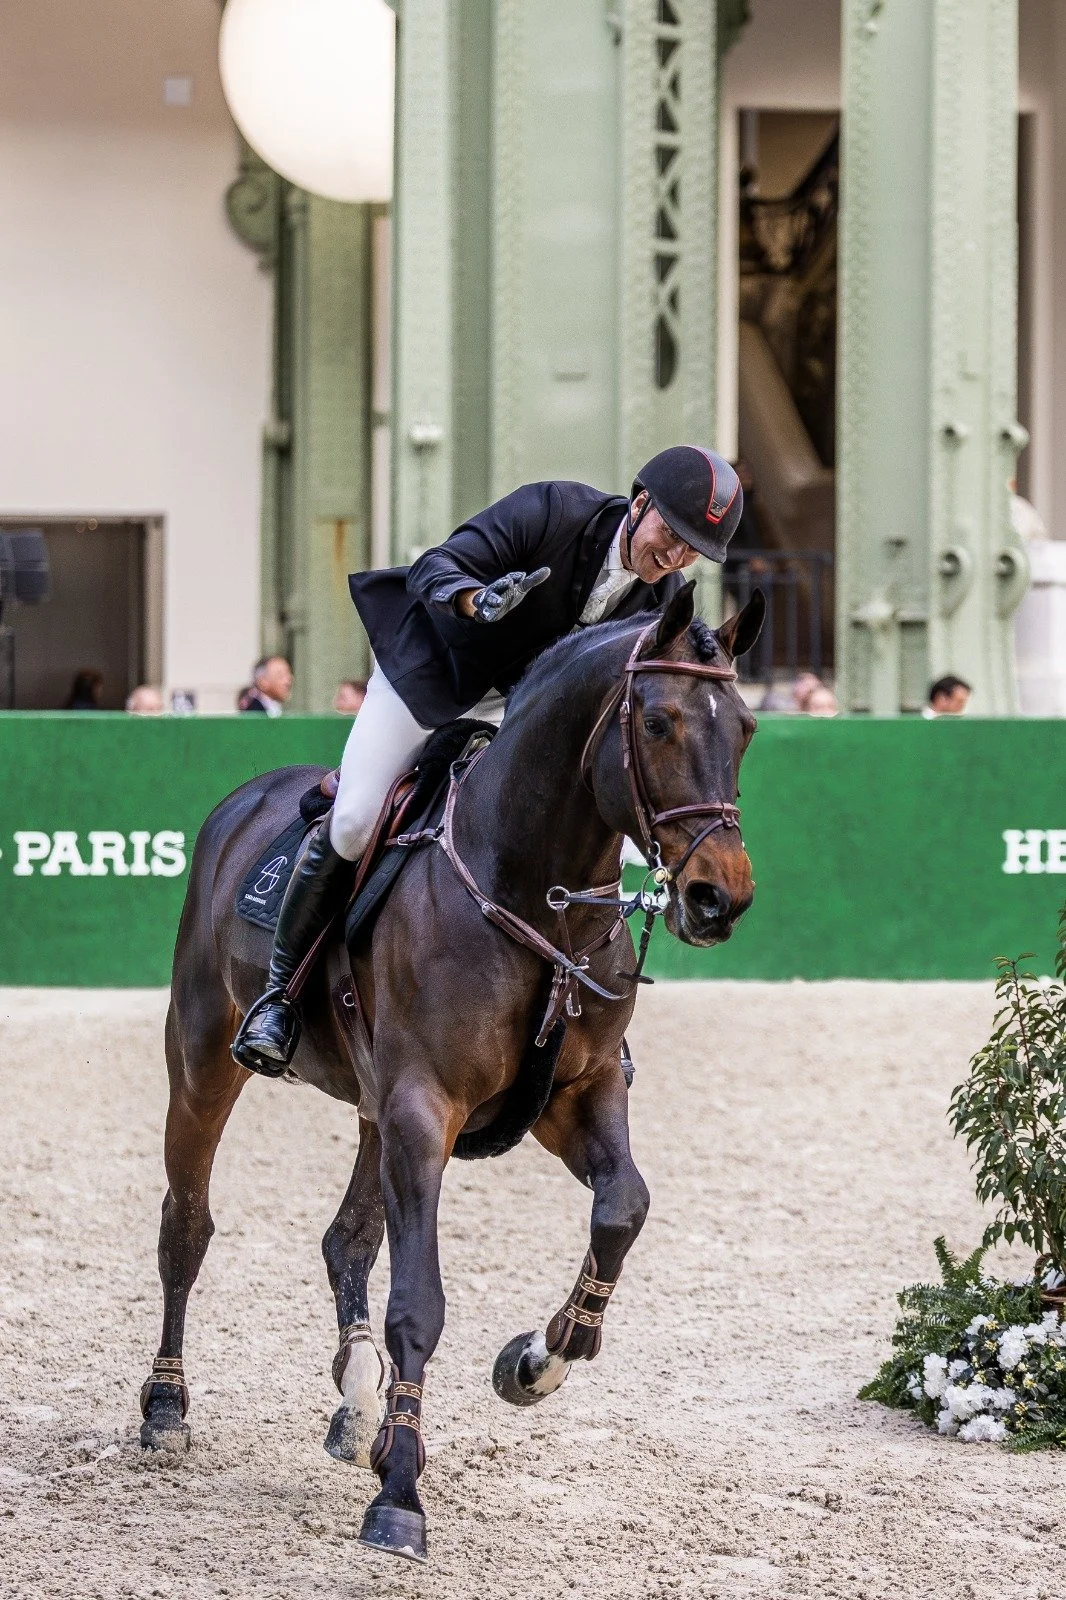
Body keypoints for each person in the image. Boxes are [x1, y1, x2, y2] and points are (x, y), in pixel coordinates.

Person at [232, 445, 745, 1075]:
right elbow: (435, 567)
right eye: (671, 532)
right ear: (640, 504)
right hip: (432, 682)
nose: (674, 556)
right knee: (356, 819)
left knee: (585, 840)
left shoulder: (659, 602)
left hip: (514, 717)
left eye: (693, 549)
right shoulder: (554, 511)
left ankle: (590, 1014)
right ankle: (279, 997)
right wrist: (476, 601)